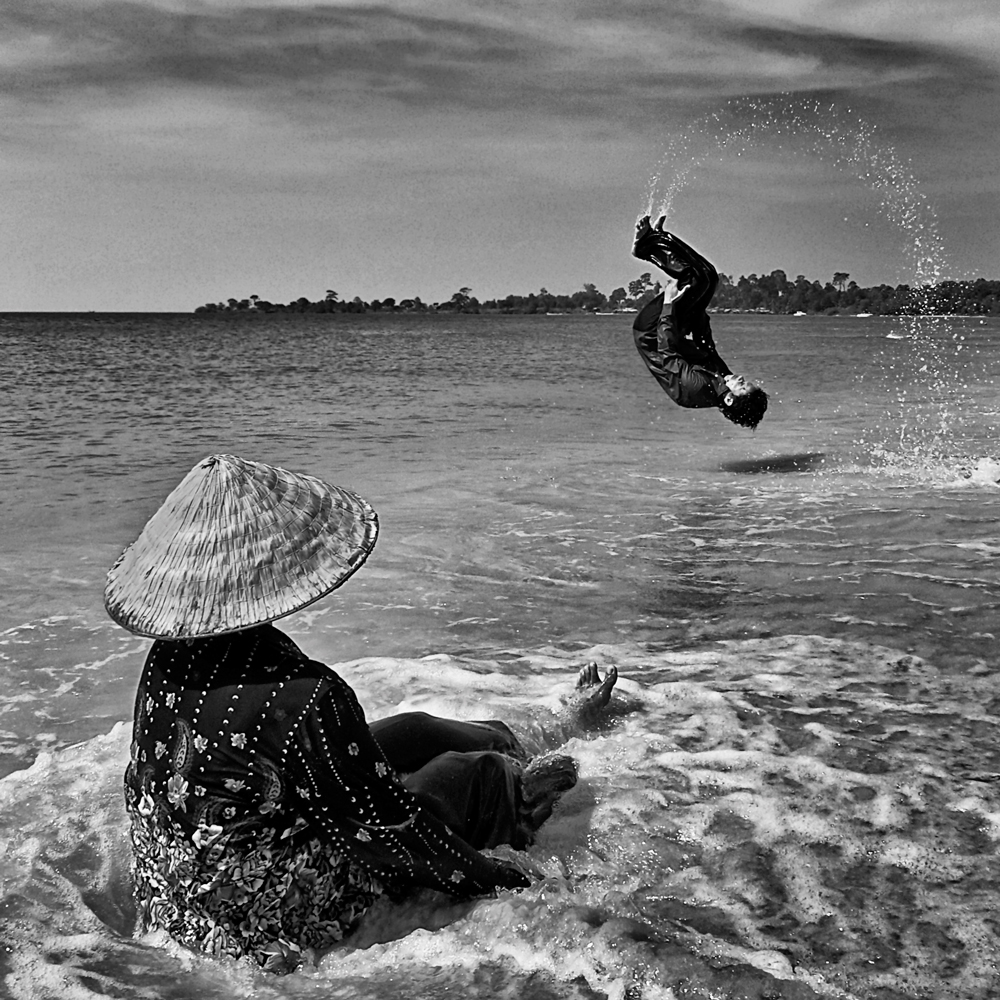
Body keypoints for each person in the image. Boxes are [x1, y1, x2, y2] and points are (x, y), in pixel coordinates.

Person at [106, 454, 617, 973]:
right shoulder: (305, 696)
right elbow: (390, 832)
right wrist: (503, 879)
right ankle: (528, 782)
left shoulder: (170, 656)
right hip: (268, 914)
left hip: (182, 889)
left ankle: (546, 728)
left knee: (417, 729)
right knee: (475, 774)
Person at [630, 215, 768, 430]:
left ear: (730, 400)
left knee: (693, 280)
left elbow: (667, 353)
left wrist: (669, 304)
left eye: (742, 385)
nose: (741, 377)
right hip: (673, 331)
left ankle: (646, 246)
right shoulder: (723, 379)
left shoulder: (696, 387)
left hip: (650, 333)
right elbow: (705, 345)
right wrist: (699, 309)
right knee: (710, 278)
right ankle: (655, 238)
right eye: (745, 381)